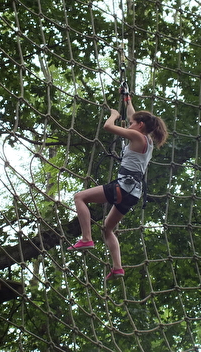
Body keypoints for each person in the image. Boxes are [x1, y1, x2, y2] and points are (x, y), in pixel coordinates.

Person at [67, 94, 168, 281]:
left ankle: (87, 238)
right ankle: (117, 268)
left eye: (131, 123)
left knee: (79, 197)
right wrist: (127, 100)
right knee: (107, 229)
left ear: (140, 125)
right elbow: (133, 115)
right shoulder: (148, 140)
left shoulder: (137, 135)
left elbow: (108, 127)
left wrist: (113, 114)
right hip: (132, 194)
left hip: (123, 188)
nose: (128, 124)